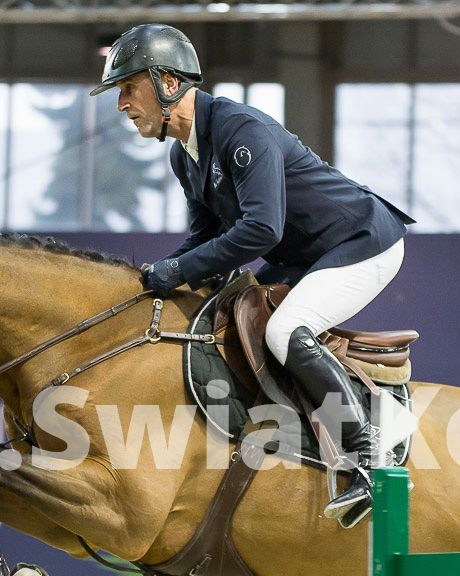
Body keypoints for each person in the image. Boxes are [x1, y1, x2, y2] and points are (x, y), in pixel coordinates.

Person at [91, 23, 414, 528]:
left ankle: (370, 454)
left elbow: (262, 229)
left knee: (286, 331)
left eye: (128, 88)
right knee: (231, 316)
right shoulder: (184, 156)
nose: (121, 105)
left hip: (361, 241)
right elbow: (205, 239)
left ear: (168, 83)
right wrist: (151, 279)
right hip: (306, 253)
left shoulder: (241, 130)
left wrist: (178, 270)